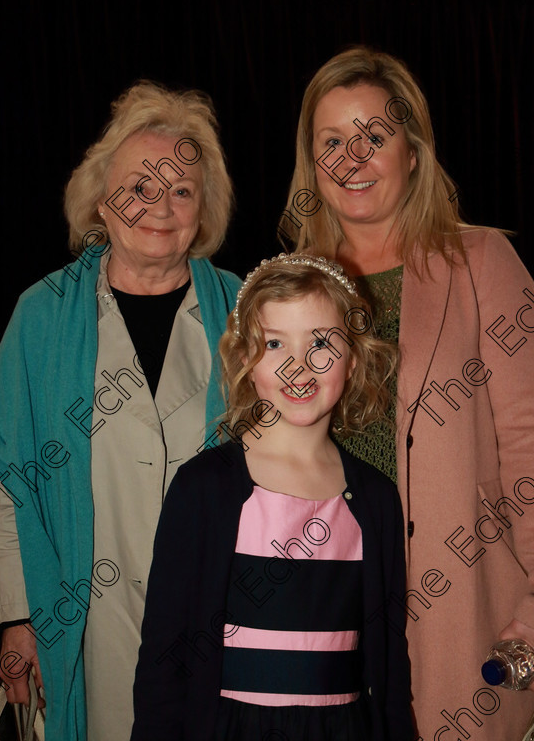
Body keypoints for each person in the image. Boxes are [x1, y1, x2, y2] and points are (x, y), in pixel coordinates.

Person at [278, 46, 534, 741]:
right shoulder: (291, 290)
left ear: (413, 152)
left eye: (375, 135)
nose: (353, 156)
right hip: (323, 635)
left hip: (464, 638)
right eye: (333, 142)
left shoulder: (483, 263)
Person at [0, 80, 242, 741]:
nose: (159, 206)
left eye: (182, 189)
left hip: (223, 622)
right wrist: (19, 616)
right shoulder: (40, 317)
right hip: (88, 626)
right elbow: (7, 478)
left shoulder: (251, 313)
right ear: (100, 200)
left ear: (204, 207)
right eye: (139, 186)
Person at [131, 253, 414, 741]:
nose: (299, 366)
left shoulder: (376, 500)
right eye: (275, 343)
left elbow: (388, 664)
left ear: (354, 354)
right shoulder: (203, 489)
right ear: (245, 359)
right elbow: (164, 658)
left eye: (321, 342)